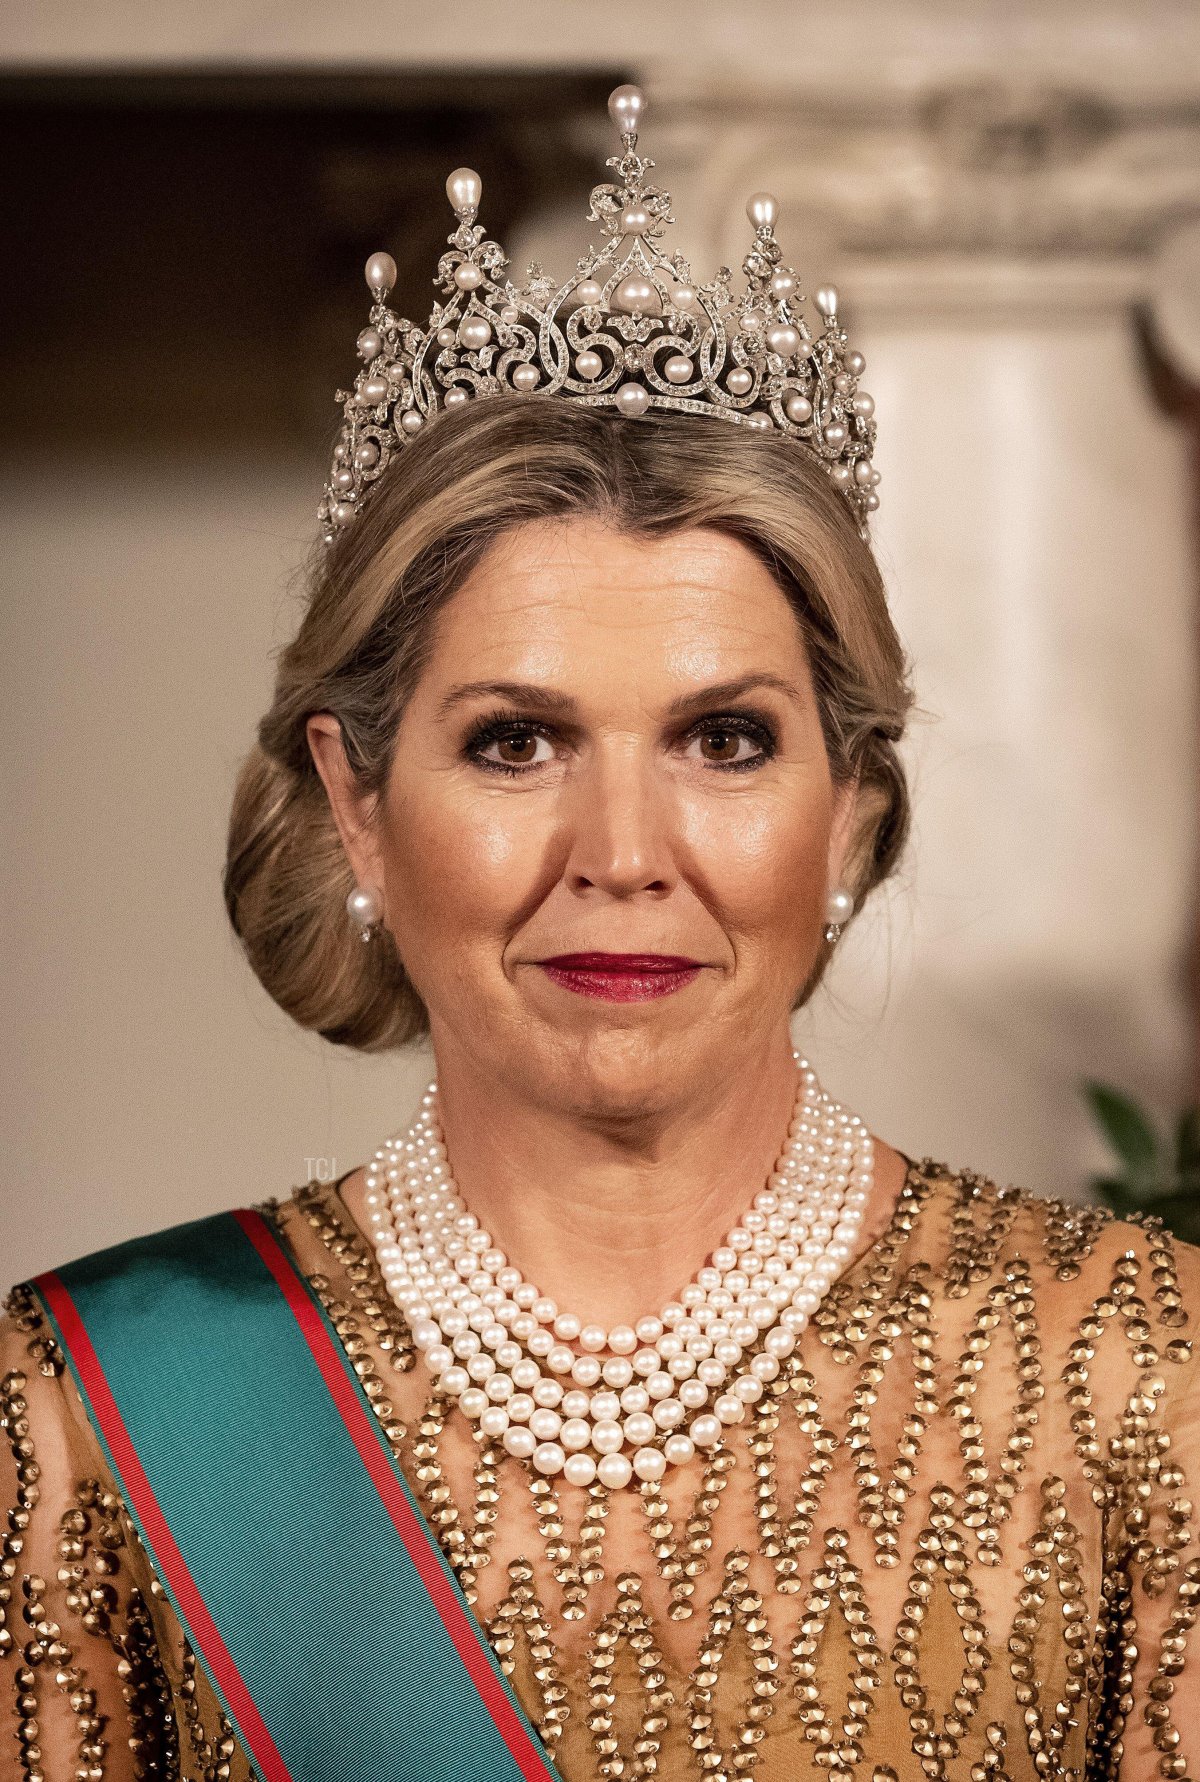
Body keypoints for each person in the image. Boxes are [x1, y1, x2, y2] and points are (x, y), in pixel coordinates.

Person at [3, 84, 1197, 1782]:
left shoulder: (1147, 1387)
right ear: (357, 801)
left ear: (847, 807)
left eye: (725, 739)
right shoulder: (89, 1416)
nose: (622, 854)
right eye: (515, 741)